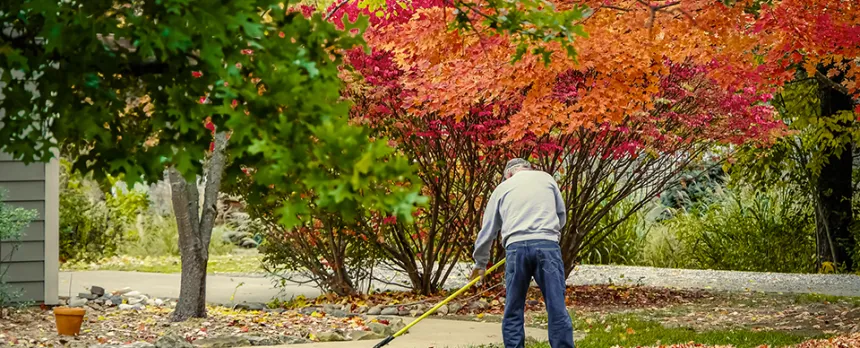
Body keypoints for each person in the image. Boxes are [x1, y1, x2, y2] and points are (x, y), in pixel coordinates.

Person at [471, 158, 574, 348]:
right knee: (556, 306)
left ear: (508, 174)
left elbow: (487, 231)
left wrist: (480, 263)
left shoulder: (503, 188)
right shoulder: (547, 179)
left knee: (513, 308)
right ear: (529, 168)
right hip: (547, 247)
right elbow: (561, 215)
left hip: (516, 249)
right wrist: (548, 235)